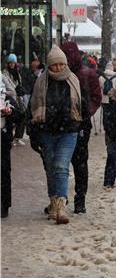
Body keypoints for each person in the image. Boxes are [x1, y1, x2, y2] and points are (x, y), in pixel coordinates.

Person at [28, 46, 85, 225]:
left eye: (62, 64)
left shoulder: (73, 80)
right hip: (47, 132)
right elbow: (32, 108)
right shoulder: (41, 83)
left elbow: (82, 105)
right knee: (51, 168)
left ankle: (61, 206)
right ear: (49, 65)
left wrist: (81, 124)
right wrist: (34, 133)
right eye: (55, 65)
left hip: (68, 131)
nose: (59, 68)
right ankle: (53, 203)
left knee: (61, 167)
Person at [61, 42, 102, 215]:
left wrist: (85, 112)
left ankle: (80, 199)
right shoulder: (58, 73)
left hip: (80, 126)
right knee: (61, 165)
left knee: (78, 164)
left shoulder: (87, 74)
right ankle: (60, 198)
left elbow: (96, 97)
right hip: (61, 125)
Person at [1, 72, 24, 218]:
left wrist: (10, 112)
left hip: (2, 137)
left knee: (3, 171)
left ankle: (4, 205)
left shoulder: (7, 98)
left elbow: (21, 116)